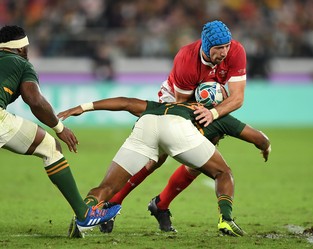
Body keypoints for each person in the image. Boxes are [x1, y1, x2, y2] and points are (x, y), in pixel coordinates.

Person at [58, 96, 271, 237]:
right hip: (178, 130)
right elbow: (259, 138)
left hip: (148, 123)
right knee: (223, 172)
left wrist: (83, 108)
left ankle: (82, 217)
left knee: (106, 187)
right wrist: (266, 148)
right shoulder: (219, 115)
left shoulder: (171, 104)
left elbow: (126, 103)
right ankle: (226, 219)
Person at [108, 19, 248, 233]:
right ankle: (113, 203)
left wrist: (212, 112)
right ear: (207, 46)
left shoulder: (236, 51)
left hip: (209, 107)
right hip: (174, 101)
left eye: (227, 46)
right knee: (155, 157)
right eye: (219, 48)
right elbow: (182, 107)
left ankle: (161, 205)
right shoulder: (186, 59)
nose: (225, 52)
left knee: (201, 161)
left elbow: (237, 98)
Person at [0, 25, 121, 236]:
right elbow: (35, 100)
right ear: (21, 49)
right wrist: (59, 127)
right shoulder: (21, 64)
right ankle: (84, 215)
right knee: (49, 146)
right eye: (27, 47)